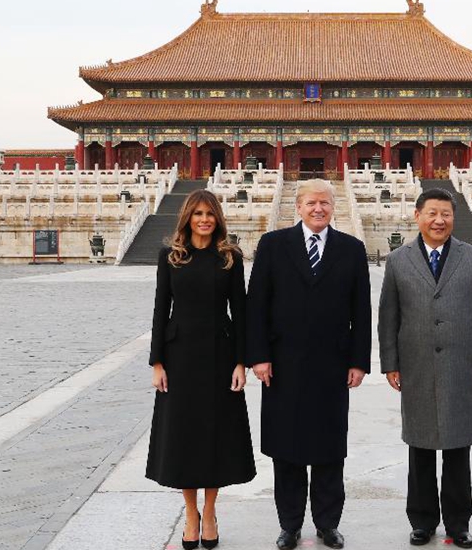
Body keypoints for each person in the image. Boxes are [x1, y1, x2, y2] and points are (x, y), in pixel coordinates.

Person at [246, 179, 372, 550]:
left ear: (333, 207)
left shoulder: (351, 249)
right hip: (282, 365)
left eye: (325, 203)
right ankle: (290, 524)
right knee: (287, 449)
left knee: (330, 449)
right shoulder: (273, 245)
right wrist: (258, 356)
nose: (319, 209)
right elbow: (257, 305)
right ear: (297, 207)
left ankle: (328, 523)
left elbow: (360, 311)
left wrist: (358, 361)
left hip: (332, 365)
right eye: (312, 203)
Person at [378, 187, 472, 549]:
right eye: (431, 213)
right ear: (417, 216)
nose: (439, 220)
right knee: (419, 447)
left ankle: (458, 522)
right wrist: (390, 362)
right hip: (415, 365)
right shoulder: (399, 260)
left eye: (446, 213)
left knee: (457, 448)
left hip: (460, 365)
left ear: (453, 217)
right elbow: (389, 316)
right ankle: (422, 520)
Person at [147, 189, 256, 550]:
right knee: (183, 438)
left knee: (216, 438)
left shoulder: (230, 257)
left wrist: (241, 361)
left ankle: (210, 511)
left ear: (218, 218)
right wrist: (157, 362)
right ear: (187, 218)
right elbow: (161, 309)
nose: (204, 219)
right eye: (197, 214)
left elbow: (240, 312)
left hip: (220, 356)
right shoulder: (171, 257)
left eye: (210, 213)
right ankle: (190, 513)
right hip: (179, 359)